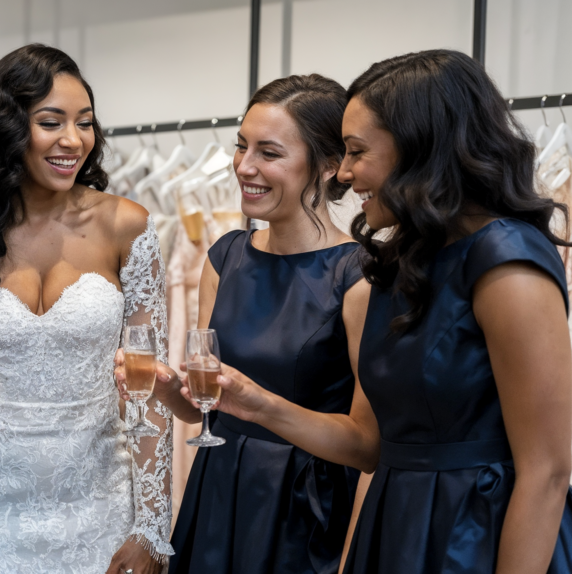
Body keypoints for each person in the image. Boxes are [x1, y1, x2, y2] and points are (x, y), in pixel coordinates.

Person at [212, 49, 572, 573]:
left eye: (358, 152)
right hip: (395, 524)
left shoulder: (505, 259)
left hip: (477, 534)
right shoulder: (404, 260)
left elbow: (547, 471)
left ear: (418, 152)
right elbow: (375, 443)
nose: (347, 172)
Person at [0, 44, 172, 574]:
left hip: (99, 502)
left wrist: (151, 526)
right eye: (51, 122)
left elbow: (150, 394)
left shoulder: (126, 226)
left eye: (85, 123)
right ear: (7, 129)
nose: (74, 140)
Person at [117, 74, 372, 574]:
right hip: (218, 488)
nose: (244, 167)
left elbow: (367, 445)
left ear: (326, 167)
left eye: (269, 153)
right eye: (240, 147)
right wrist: (167, 387)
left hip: (303, 510)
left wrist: (263, 406)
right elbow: (203, 412)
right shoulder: (225, 256)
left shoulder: (358, 276)